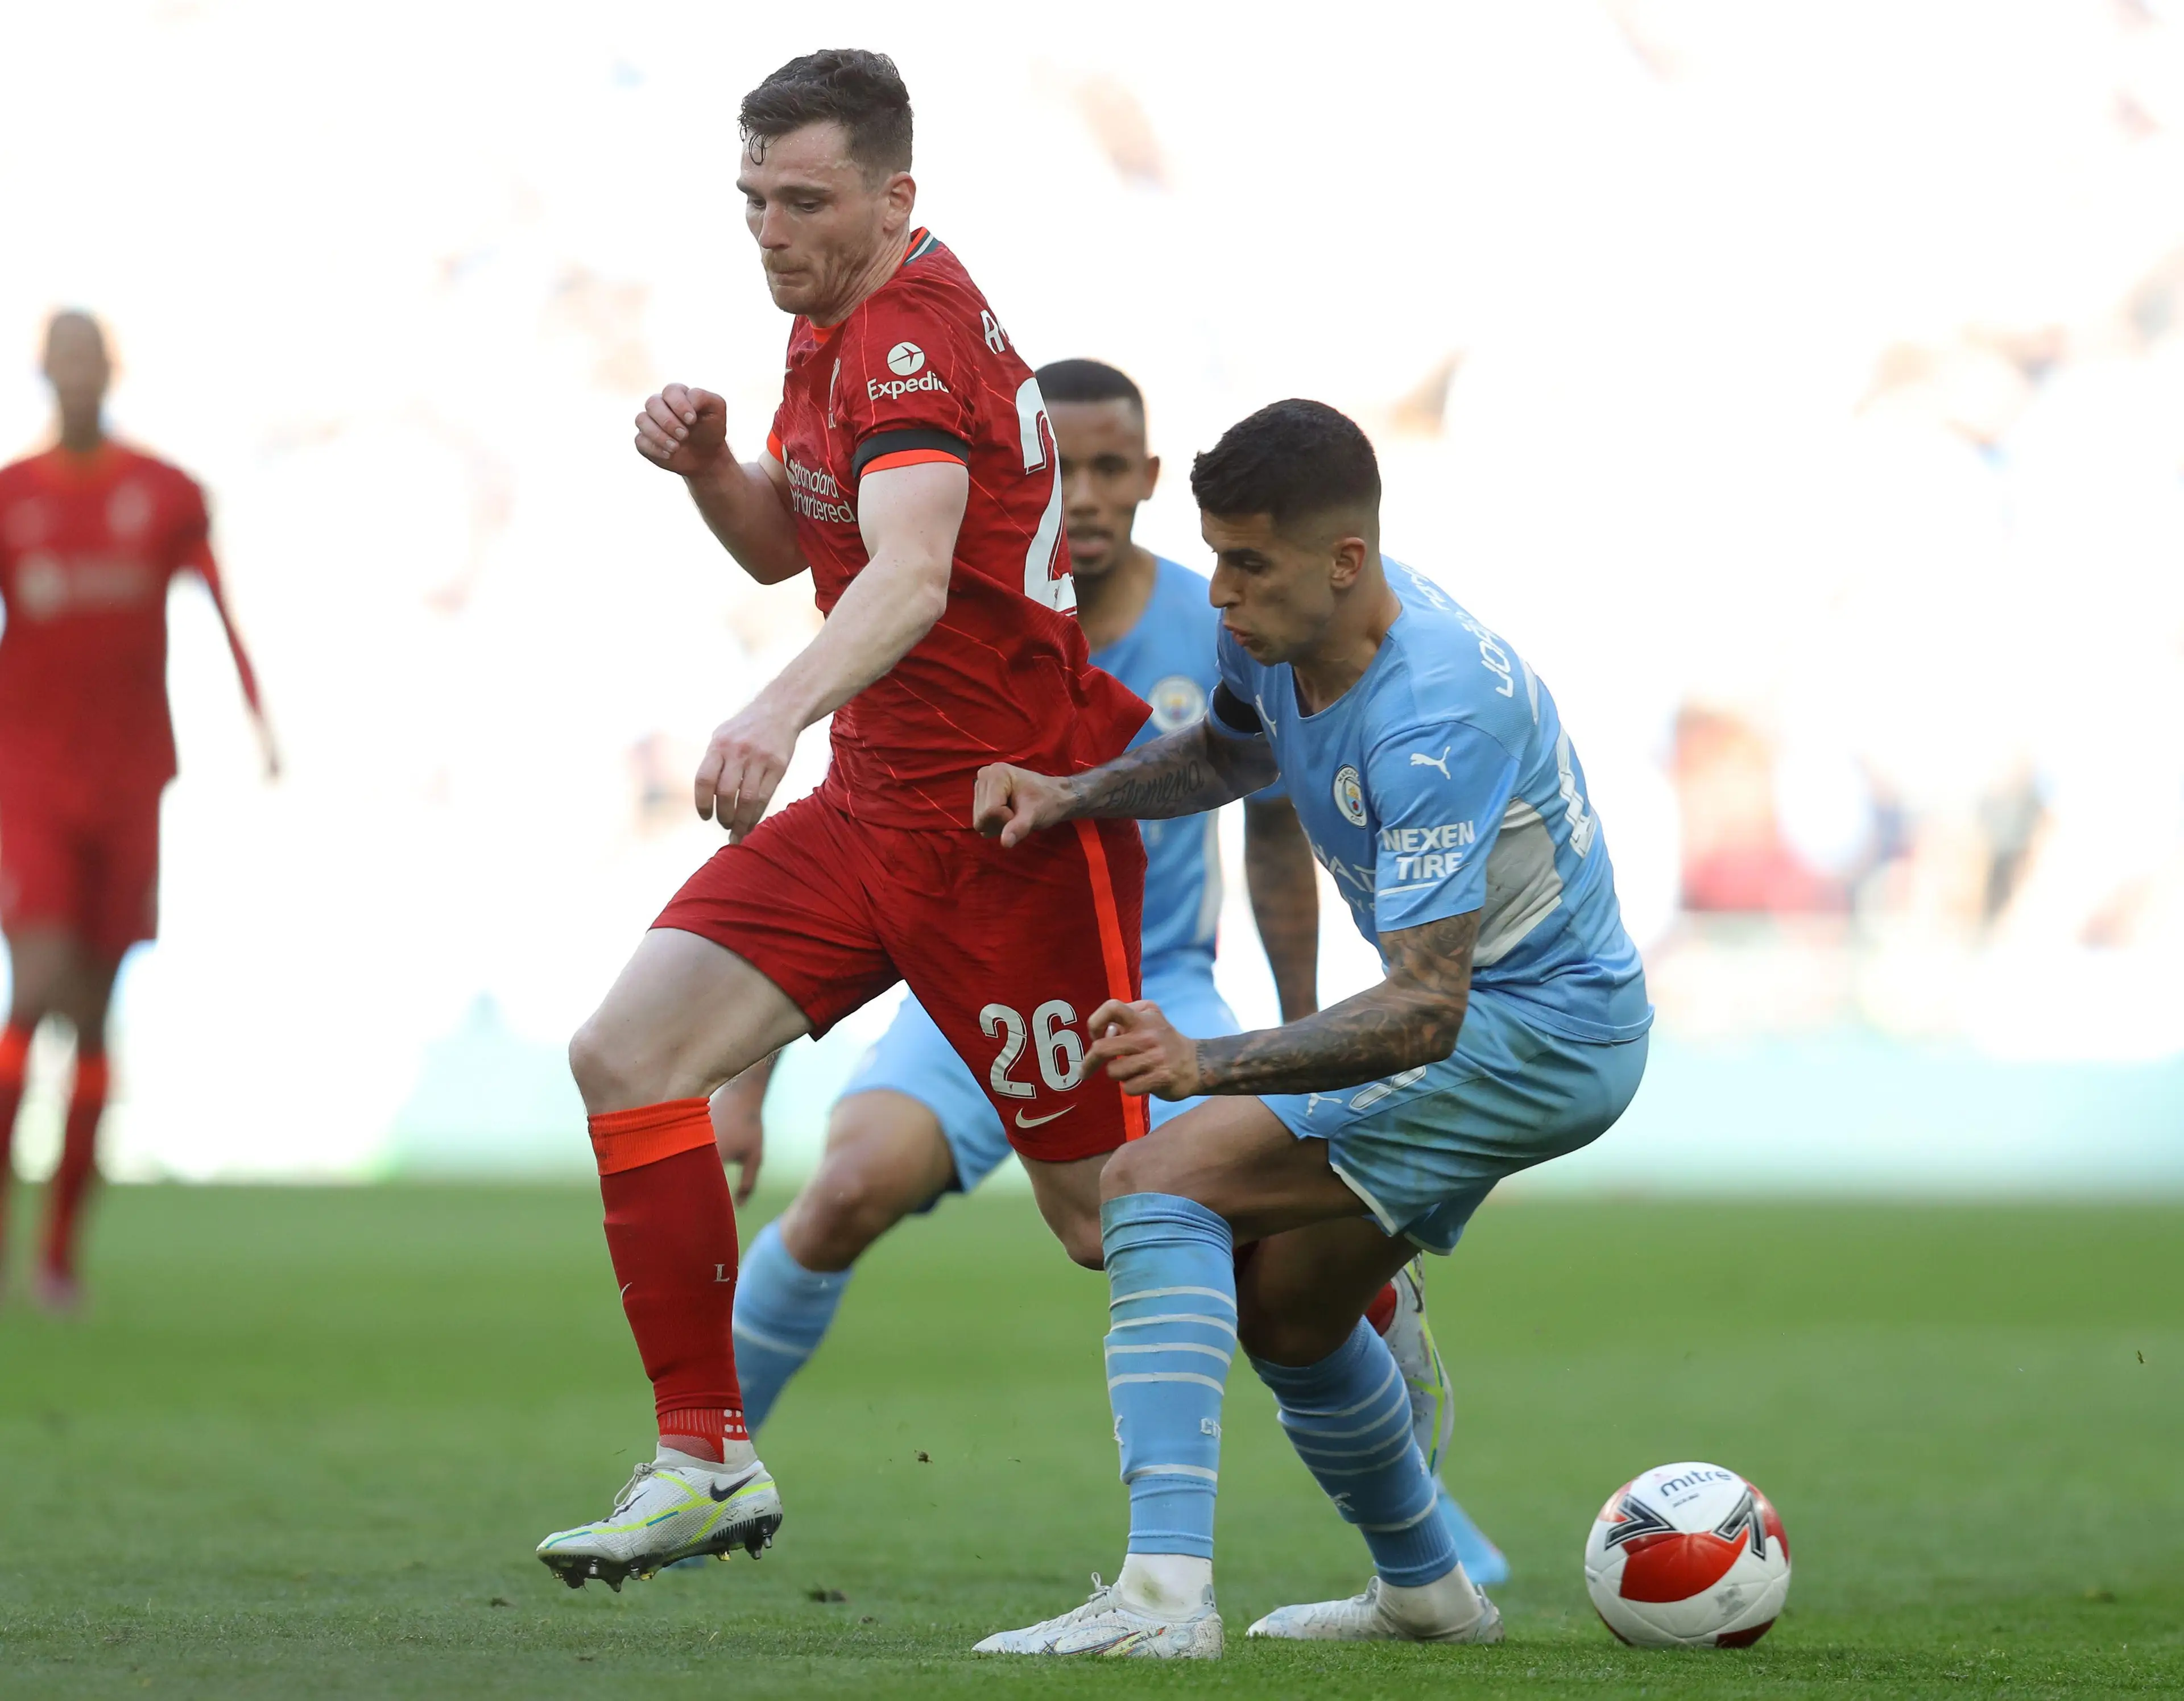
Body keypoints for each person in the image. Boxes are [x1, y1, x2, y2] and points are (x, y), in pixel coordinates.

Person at [718, 358, 1509, 1585]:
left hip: (1154, 991)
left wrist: (1305, 1034)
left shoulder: (1229, 611)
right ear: (1013, 475)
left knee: (1234, 1241)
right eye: (1060, 468)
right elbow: (834, 840)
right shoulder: (928, 611)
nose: (1080, 496)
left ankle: (1422, 1516)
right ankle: (706, 1462)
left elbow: (1275, 825)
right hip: (966, 993)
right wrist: (748, 1074)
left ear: (1146, 481)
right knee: (845, 1187)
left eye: (1107, 469)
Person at [535, 51, 1152, 1591]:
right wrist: (712, 470)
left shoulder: (909, 344)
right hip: (874, 808)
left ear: (897, 198)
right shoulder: (828, 324)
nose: (769, 230)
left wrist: (769, 709)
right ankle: (702, 1456)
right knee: (627, 1053)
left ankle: (1351, 1282)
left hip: (1007, 832)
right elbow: (787, 549)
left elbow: (914, 572)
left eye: (803, 201)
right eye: (752, 201)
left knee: (1106, 1222)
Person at [970, 400, 1651, 1658]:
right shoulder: (1282, 636)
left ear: (1345, 560)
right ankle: (1431, 1595)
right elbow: (1231, 759)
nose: (1218, 591)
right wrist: (1076, 794)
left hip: (1541, 1033)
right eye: (1216, 555)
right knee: (1286, 1312)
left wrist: (1206, 1062)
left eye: (1249, 562)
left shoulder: (1439, 710)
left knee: (1153, 1180)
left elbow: (1426, 1010)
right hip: (1498, 1021)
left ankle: (1162, 1599)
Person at [0, 311, 276, 1309]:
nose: (75, 377)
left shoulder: (163, 495)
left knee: (94, 1017)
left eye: (89, 362)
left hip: (129, 783)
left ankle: (60, 1254)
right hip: (28, 778)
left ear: (106, 374)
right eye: (59, 362)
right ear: (43, 375)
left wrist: (259, 721)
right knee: (32, 990)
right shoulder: (10, 498)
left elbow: (220, 607)